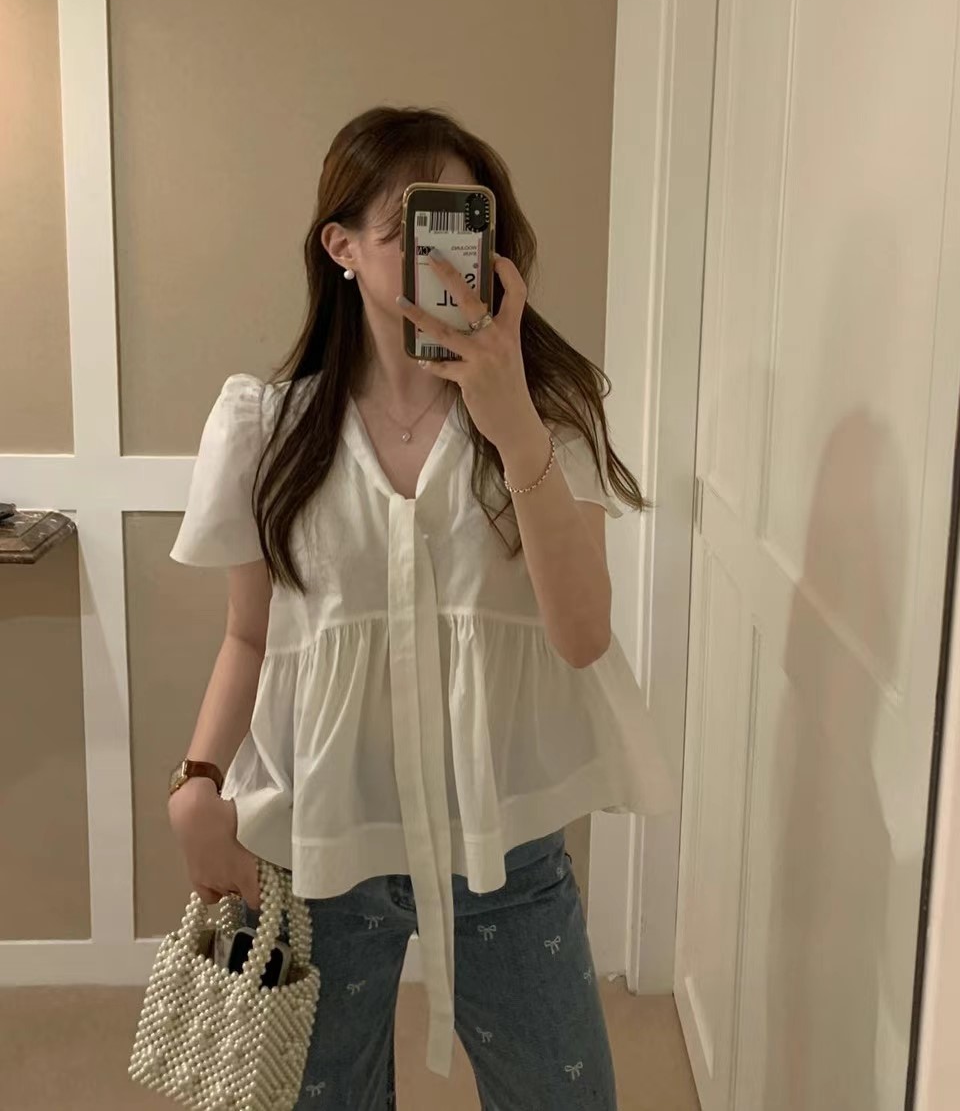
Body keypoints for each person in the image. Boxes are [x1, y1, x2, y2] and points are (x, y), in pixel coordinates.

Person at [166, 106, 674, 1111]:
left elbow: (582, 637)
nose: (442, 253)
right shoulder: (268, 429)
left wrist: (512, 424)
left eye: (463, 221)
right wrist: (197, 783)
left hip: (504, 850)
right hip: (321, 842)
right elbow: (249, 636)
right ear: (342, 247)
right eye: (408, 226)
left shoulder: (549, 416)